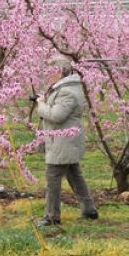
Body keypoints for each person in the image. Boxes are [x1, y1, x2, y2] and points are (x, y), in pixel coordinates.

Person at [35, 55, 98, 228]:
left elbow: (57, 116)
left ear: (60, 72)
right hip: (64, 140)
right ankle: (89, 209)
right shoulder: (64, 87)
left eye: (51, 71)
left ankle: (51, 216)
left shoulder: (67, 91)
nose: (47, 74)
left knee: (52, 178)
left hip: (63, 141)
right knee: (74, 175)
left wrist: (41, 105)